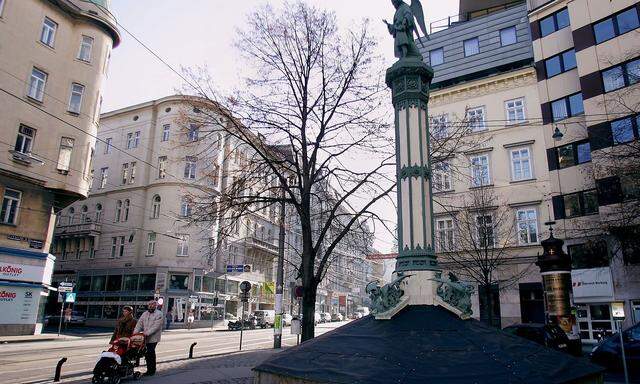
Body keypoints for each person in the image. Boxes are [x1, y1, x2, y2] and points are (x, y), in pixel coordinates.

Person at [133, 300, 164, 377]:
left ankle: (151, 370)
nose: (151, 306)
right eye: (150, 305)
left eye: (153, 305)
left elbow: (156, 326)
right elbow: (139, 324)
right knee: (144, 352)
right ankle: (147, 368)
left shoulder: (159, 314)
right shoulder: (145, 314)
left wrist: (146, 333)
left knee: (150, 352)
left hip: (153, 338)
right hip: (144, 337)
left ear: (155, 306)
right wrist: (135, 333)